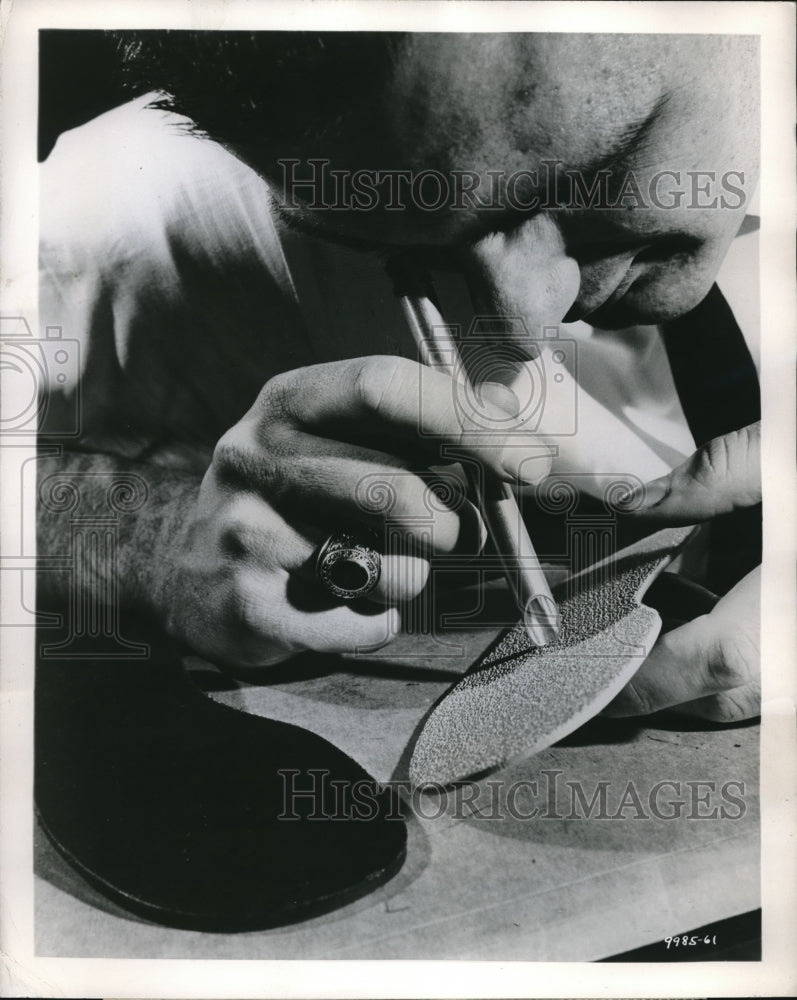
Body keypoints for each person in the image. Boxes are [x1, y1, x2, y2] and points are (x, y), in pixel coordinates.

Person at [38, 31, 761, 723]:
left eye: (593, 172)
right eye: (406, 255)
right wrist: (149, 535)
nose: (524, 326)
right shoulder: (145, 210)